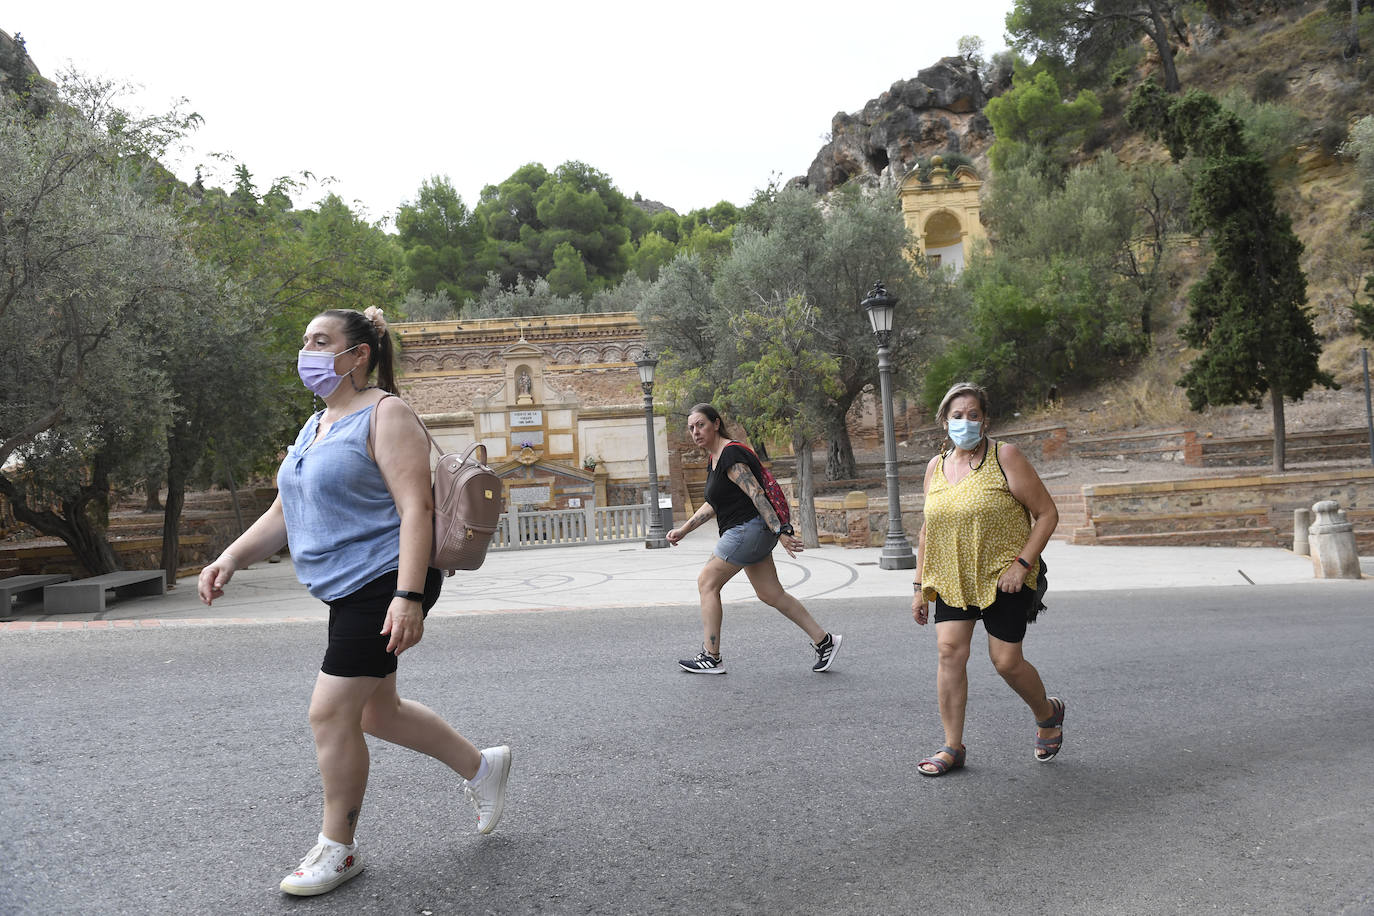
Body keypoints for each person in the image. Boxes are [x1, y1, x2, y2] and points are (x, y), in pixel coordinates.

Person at [198, 307, 512, 897]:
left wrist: (409, 596)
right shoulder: (315, 423)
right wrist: (230, 558)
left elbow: (415, 509)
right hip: (346, 588)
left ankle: (339, 848)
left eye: (322, 341)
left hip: (385, 581)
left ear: (358, 354)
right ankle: (483, 766)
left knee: (329, 712)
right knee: (376, 712)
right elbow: (283, 512)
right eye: (305, 339)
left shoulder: (387, 414)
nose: (308, 351)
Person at [911, 382, 1063, 776]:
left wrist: (1022, 565)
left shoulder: (1005, 457)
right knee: (949, 654)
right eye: (957, 416)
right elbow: (927, 530)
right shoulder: (936, 466)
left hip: (1004, 576)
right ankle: (951, 746)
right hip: (952, 577)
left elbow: (1047, 514)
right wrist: (918, 587)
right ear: (945, 421)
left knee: (1006, 662)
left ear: (985, 419)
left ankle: (1047, 714)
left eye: (973, 415)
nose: (965, 422)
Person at [666, 404, 842, 674]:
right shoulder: (714, 460)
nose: (695, 432)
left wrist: (781, 530)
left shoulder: (730, 454)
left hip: (746, 529)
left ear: (716, 423)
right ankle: (825, 641)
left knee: (707, 582)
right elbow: (713, 504)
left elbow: (756, 494)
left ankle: (711, 656)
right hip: (751, 531)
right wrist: (684, 530)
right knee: (771, 593)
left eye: (700, 425)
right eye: (691, 428)